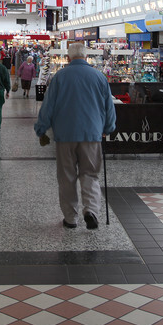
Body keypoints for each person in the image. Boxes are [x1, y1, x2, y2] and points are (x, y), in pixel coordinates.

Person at [34, 43, 116, 230]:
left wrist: (41, 129)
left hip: (65, 135)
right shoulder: (99, 77)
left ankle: (71, 218)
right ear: (86, 57)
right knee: (90, 174)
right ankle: (91, 210)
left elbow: (48, 107)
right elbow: (108, 107)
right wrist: (108, 127)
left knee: (67, 176)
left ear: (69, 58)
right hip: (92, 134)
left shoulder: (59, 77)